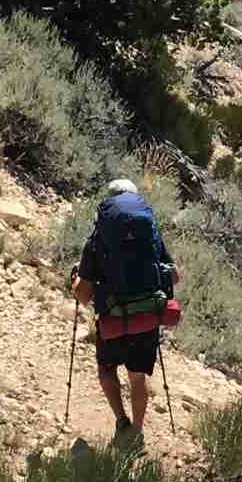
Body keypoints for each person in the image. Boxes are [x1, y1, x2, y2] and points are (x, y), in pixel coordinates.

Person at [73, 178, 175, 441]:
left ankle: (121, 422)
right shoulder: (151, 236)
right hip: (146, 320)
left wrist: (77, 281)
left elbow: (82, 296)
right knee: (137, 376)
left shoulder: (97, 241)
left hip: (112, 321)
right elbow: (174, 276)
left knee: (107, 370)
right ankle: (138, 432)